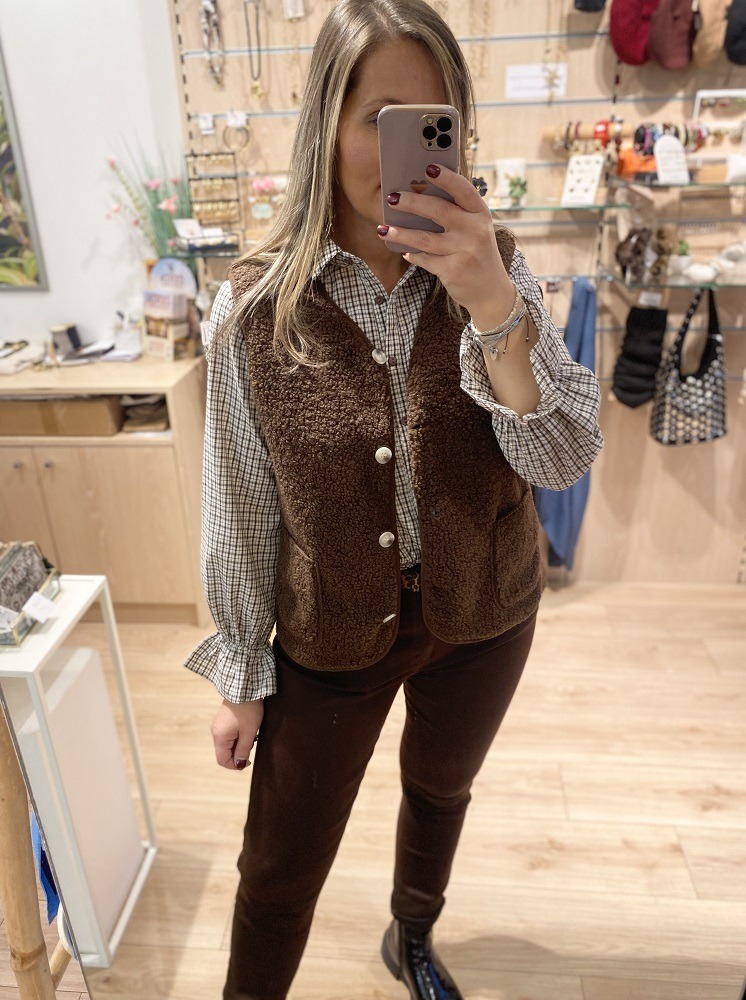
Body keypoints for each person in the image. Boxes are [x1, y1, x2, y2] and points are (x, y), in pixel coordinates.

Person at [185, 1, 603, 997]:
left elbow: (562, 458)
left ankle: (411, 937)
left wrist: (493, 304)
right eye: (379, 119)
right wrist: (240, 668)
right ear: (325, 127)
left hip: (484, 612)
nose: (402, 148)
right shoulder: (255, 308)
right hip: (328, 632)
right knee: (279, 864)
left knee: (441, 789)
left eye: (431, 120)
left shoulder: (498, 276)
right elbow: (240, 505)